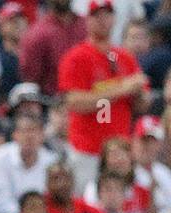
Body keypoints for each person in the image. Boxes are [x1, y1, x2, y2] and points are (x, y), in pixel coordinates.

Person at [58, 0, 149, 194]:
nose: (102, 20)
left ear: (115, 18)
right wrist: (122, 88)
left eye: (107, 15)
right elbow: (74, 102)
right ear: (87, 20)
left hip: (121, 151)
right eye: (96, 15)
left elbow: (142, 104)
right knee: (87, 205)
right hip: (87, 151)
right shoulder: (76, 57)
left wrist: (139, 92)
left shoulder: (124, 57)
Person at [0, 113, 58, 213]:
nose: (30, 136)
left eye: (35, 131)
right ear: (14, 135)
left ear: (42, 135)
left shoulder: (51, 160)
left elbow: (54, 198)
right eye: (24, 131)